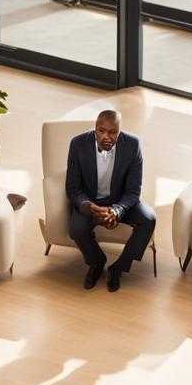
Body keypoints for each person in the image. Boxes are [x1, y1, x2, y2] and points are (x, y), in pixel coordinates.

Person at [64, 110, 157, 292]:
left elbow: (133, 191)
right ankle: (97, 262)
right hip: (90, 202)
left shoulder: (132, 145)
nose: (106, 136)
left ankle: (118, 268)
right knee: (76, 228)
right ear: (95, 128)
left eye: (112, 132)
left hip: (120, 200)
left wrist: (116, 210)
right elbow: (73, 188)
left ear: (120, 131)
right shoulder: (78, 144)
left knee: (148, 219)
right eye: (101, 131)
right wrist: (88, 206)